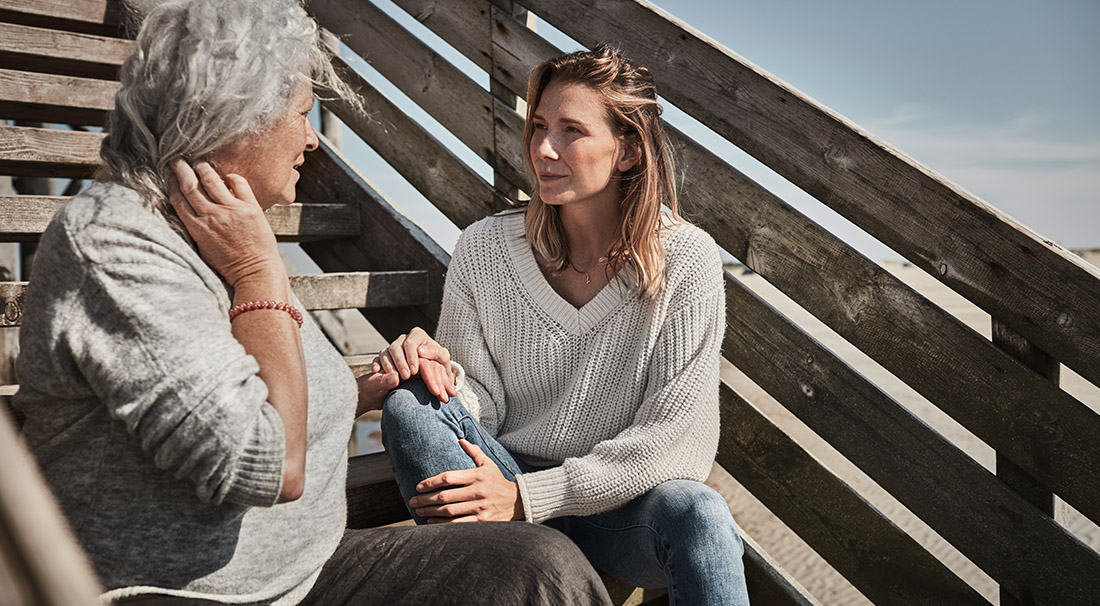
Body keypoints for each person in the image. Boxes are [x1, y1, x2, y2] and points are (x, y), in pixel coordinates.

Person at [13, 1, 612, 604]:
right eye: (301, 114)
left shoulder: (218, 232)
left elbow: (258, 392)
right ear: (232, 117)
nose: (310, 139)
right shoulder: (117, 245)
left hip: (307, 574)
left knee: (541, 567)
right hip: (185, 595)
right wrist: (259, 276)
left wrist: (369, 390)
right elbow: (267, 464)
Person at [378, 46, 751, 605]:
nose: (544, 149)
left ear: (627, 152)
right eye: (538, 126)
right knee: (411, 405)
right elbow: (480, 399)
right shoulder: (484, 249)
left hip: (618, 511)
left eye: (572, 130)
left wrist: (529, 496)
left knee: (700, 512)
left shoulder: (686, 260)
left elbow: (676, 444)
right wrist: (439, 375)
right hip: (500, 481)